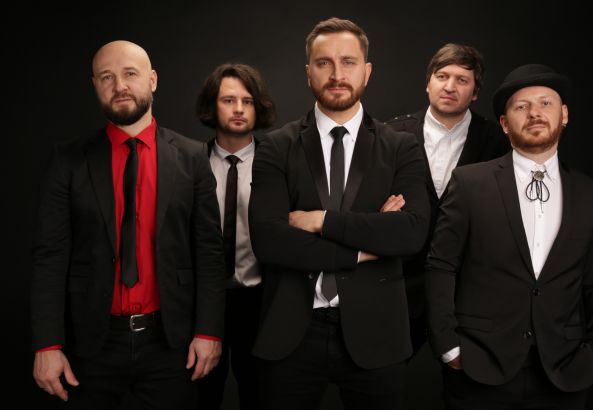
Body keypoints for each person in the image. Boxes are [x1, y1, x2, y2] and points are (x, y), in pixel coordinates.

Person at [31, 40, 226, 409]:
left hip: (172, 343)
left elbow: (209, 253)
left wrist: (209, 332)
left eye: (130, 74)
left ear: (152, 80)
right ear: (95, 86)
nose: (119, 85)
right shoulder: (68, 160)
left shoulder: (192, 158)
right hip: (90, 345)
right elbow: (50, 257)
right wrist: (47, 344)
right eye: (107, 77)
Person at [248, 17, 430, 410]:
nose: (336, 75)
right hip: (290, 334)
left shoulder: (402, 148)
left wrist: (321, 221)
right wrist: (366, 246)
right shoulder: (276, 147)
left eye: (348, 62)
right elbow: (270, 240)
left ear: (367, 71)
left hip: (377, 334)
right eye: (324, 63)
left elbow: (411, 233)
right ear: (308, 72)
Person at [425, 63, 593, 409]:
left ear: (564, 115)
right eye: (521, 106)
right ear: (504, 123)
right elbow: (441, 266)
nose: (534, 113)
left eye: (545, 103)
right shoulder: (469, 183)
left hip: (566, 369)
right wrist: (449, 348)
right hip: (478, 367)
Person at [386, 43, 510, 355]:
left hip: (467, 291)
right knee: (385, 374)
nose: (450, 87)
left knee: (467, 379)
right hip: (400, 286)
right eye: (442, 76)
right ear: (428, 82)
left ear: (475, 92)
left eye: (462, 80)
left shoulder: (497, 142)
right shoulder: (390, 135)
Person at [196, 63, 276, 410]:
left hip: (259, 301)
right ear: (212, 106)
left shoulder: (278, 163)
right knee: (200, 397)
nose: (239, 109)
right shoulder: (191, 162)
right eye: (228, 100)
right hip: (201, 303)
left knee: (259, 396)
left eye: (248, 100)